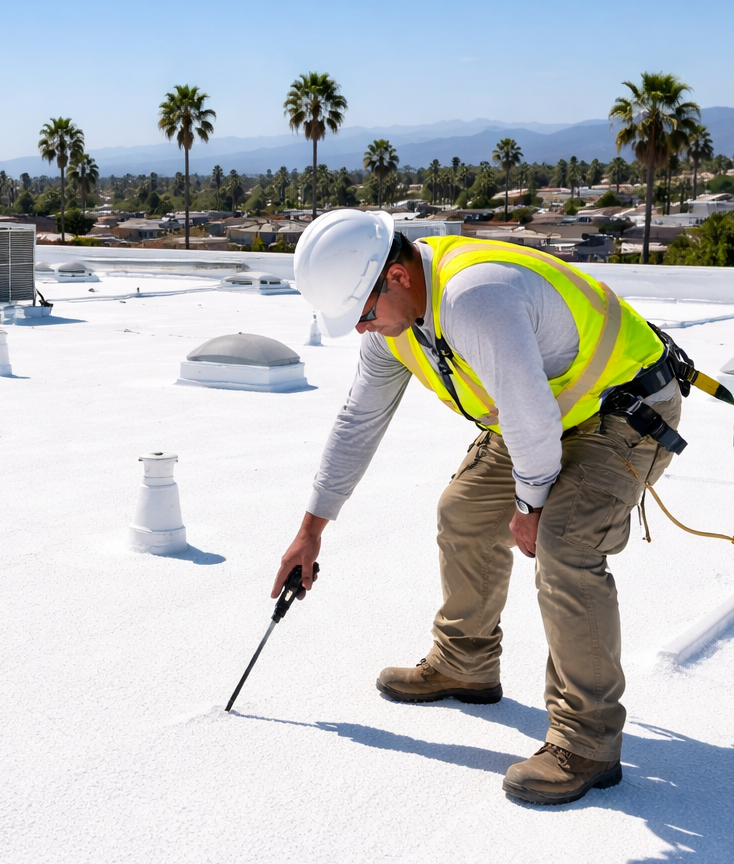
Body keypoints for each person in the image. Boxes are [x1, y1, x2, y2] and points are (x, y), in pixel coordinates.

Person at [281, 209, 688, 805]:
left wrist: (532, 504)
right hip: (543, 414)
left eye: (364, 314)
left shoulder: (476, 296)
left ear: (395, 276)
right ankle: (464, 662)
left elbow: (528, 417)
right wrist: (310, 529)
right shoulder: (392, 328)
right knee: (464, 511)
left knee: (565, 547)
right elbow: (358, 421)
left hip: (622, 412)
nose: (364, 329)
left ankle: (587, 741)